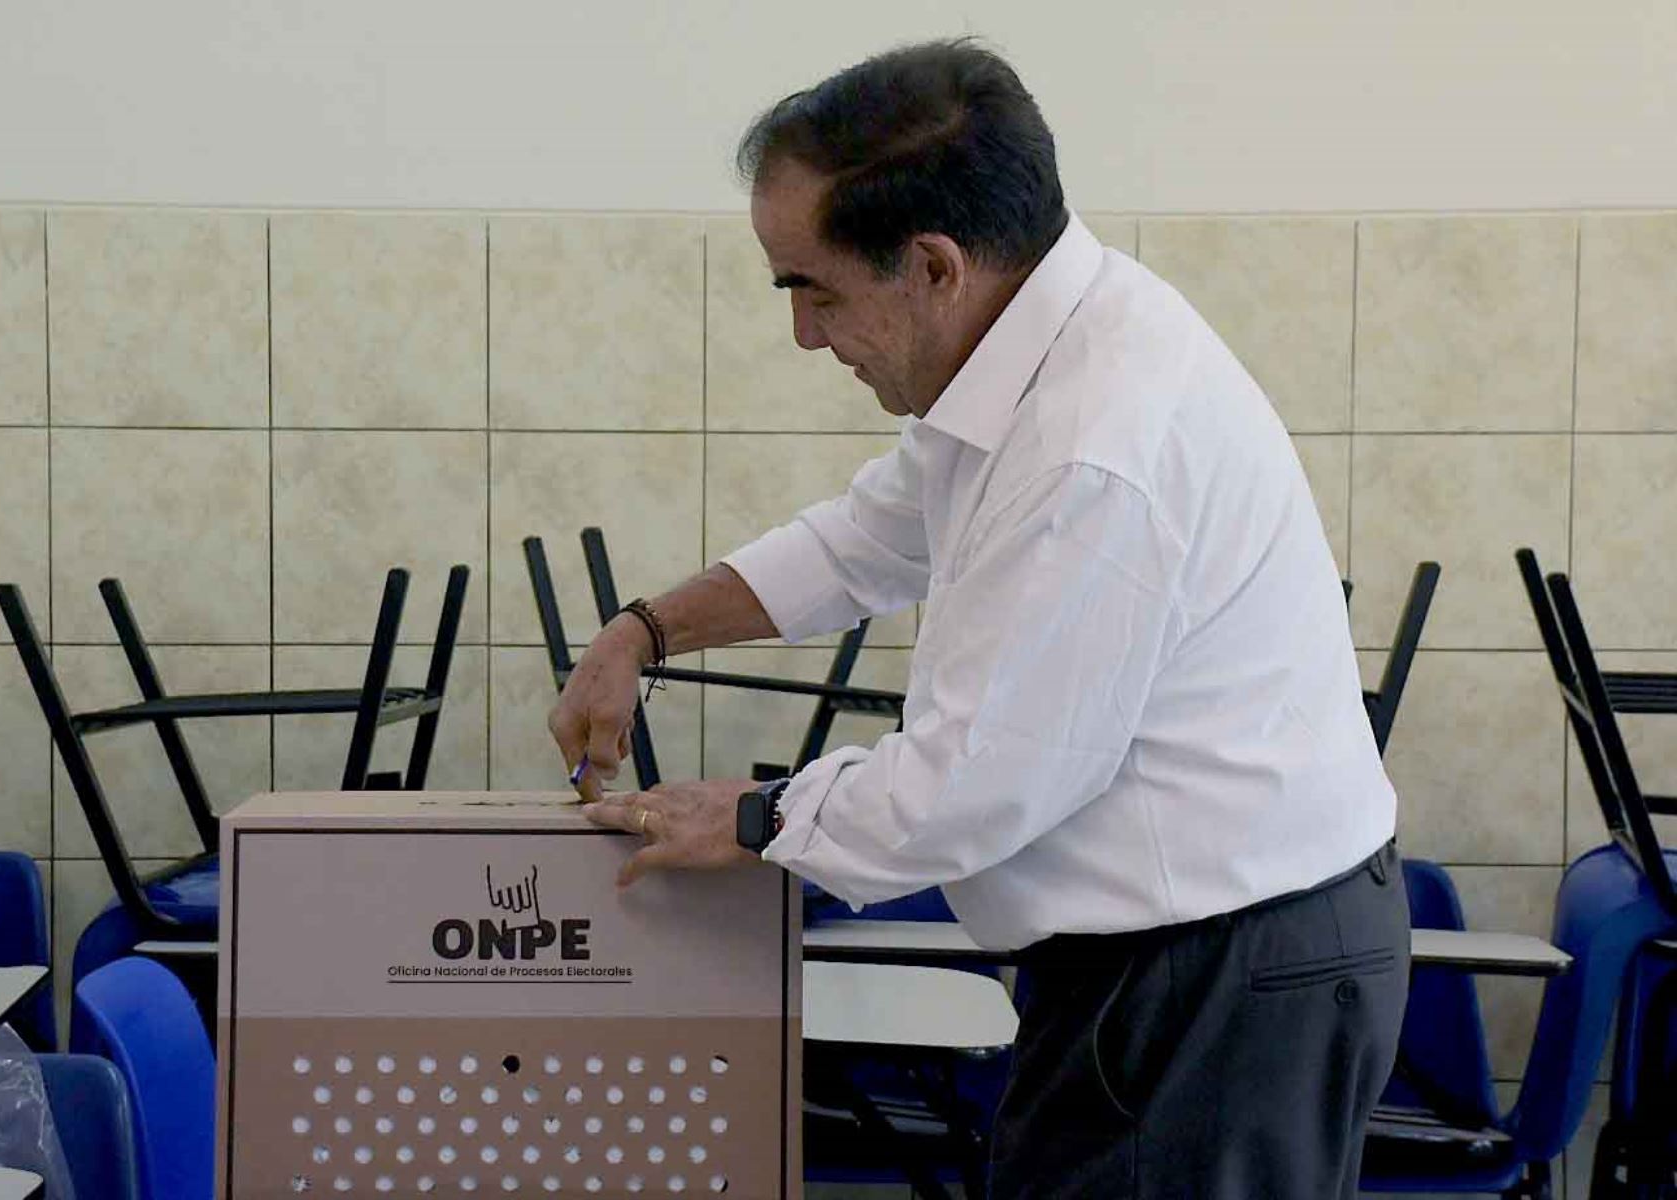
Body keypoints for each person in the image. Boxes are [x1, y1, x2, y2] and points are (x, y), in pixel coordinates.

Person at [550, 38, 1407, 1199]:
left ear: (934, 266)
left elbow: (977, 784)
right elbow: (866, 538)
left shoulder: (1096, 441)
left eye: (813, 288)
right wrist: (641, 630)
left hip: (1216, 975)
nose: (805, 333)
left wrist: (754, 819)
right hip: (1176, 961)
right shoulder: (1032, 359)